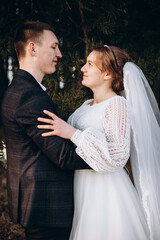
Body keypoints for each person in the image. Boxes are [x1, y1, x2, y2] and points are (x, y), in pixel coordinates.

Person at [38, 45, 160, 240]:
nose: (82, 69)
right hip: (84, 188)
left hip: (107, 191)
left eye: (90, 64)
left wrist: (74, 134)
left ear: (107, 74)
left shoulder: (117, 105)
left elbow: (119, 155)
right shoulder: (85, 107)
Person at [1, 21, 90, 240]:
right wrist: (108, 156)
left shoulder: (21, 89)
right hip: (48, 206)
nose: (59, 54)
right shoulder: (30, 96)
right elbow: (63, 156)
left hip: (38, 204)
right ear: (32, 48)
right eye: (53, 47)